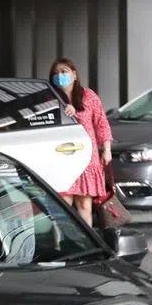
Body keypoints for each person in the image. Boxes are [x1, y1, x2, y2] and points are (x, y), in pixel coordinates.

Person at [50, 58, 113, 226]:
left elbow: (101, 123)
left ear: (74, 74)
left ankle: (87, 243)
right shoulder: (50, 98)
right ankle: (62, 245)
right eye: (56, 73)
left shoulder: (88, 96)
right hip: (61, 157)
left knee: (84, 204)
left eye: (64, 71)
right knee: (64, 203)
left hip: (86, 157)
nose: (60, 76)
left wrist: (107, 149)